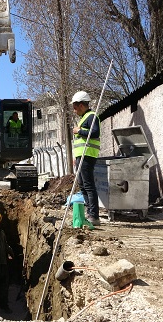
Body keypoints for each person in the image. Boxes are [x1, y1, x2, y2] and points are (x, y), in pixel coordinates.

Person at [71, 91, 101, 226]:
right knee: (83, 184)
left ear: (82, 105)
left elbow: (95, 133)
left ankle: (94, 215)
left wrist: (79, 131)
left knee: (88, 185)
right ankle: (89, 212)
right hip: (81, 155)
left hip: (88, 155)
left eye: (75, 107)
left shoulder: (91, 116)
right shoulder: (84, 118)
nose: (74, 110)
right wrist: (76, 156)